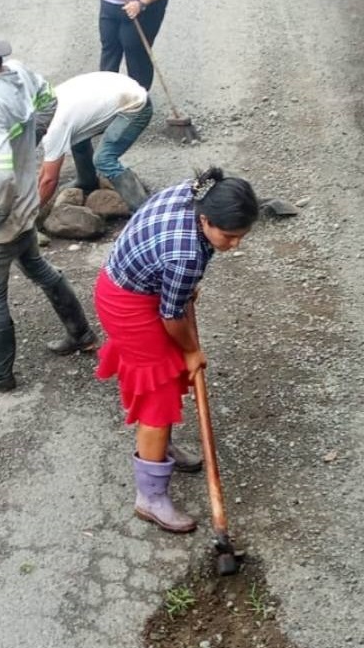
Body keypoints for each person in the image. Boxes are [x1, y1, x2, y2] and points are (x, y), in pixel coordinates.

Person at [94, 166, 259, 532]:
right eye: (229, 236)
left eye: (241, 236)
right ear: (205, 220)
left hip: (132, 282)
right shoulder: (185, 255)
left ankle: (159, 448)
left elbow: (173, 291)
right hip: (128, 304)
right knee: (160, 390)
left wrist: (180, 288)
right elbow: (171, 316)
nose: (235, 244)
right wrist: (191, 351)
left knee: (166, 377)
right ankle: (150, 498)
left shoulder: (198, 192)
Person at [0, 21, 98, 391]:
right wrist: (33, 137)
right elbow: (49, 100)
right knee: (39, 269)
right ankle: (82, 334)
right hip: (27, 206)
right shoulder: (18, 72)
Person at [35, 71, 153, 212]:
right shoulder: (45, 104)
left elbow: (49, 180)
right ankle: (87, 181)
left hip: (136, 106)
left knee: (103, 159)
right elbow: (46, 168)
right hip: (118, 91)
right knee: (77, 137)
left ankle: (144, 209)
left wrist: (31, 212)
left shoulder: (54, 130)